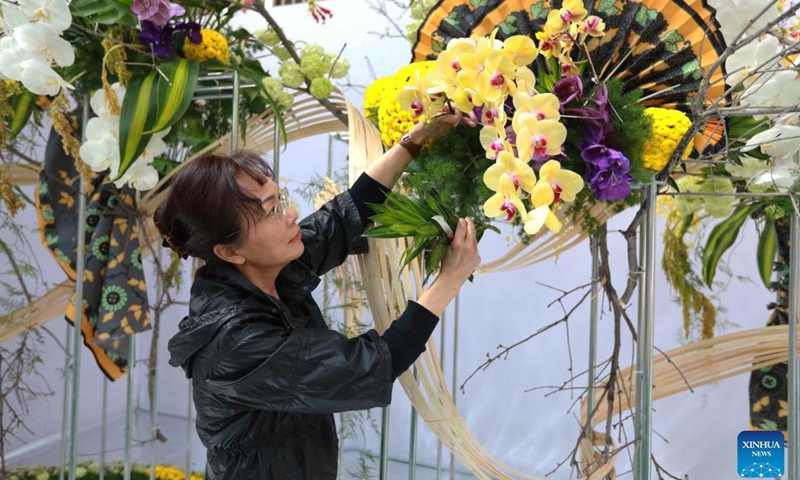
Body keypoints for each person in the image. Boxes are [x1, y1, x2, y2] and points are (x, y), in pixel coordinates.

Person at [155, 104, 479, 480]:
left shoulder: (262, 267)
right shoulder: (237, 340)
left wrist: (417, 137)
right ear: (229, 251)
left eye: (280, 201)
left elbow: (344, 217)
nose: (290, 216)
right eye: (271, 213)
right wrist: (449, 280)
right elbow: (372, 363)